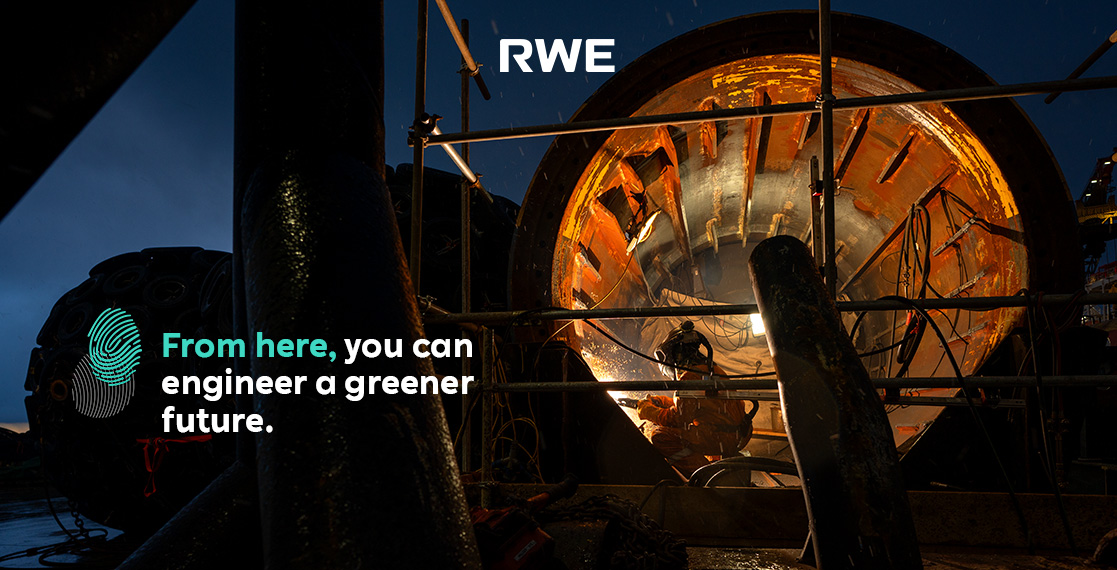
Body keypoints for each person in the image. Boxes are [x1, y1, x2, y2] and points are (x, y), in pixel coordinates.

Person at [636, 321, 755, 475]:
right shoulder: (712, 370)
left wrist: (648, 411)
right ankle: (717, 469)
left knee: (661, 436)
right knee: (697, 429)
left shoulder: (690, 376)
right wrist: (663, 402)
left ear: (673, 356)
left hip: (721, 436)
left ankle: (706, 475)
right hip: (737, 433)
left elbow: (679, 418)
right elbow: (698, 406)